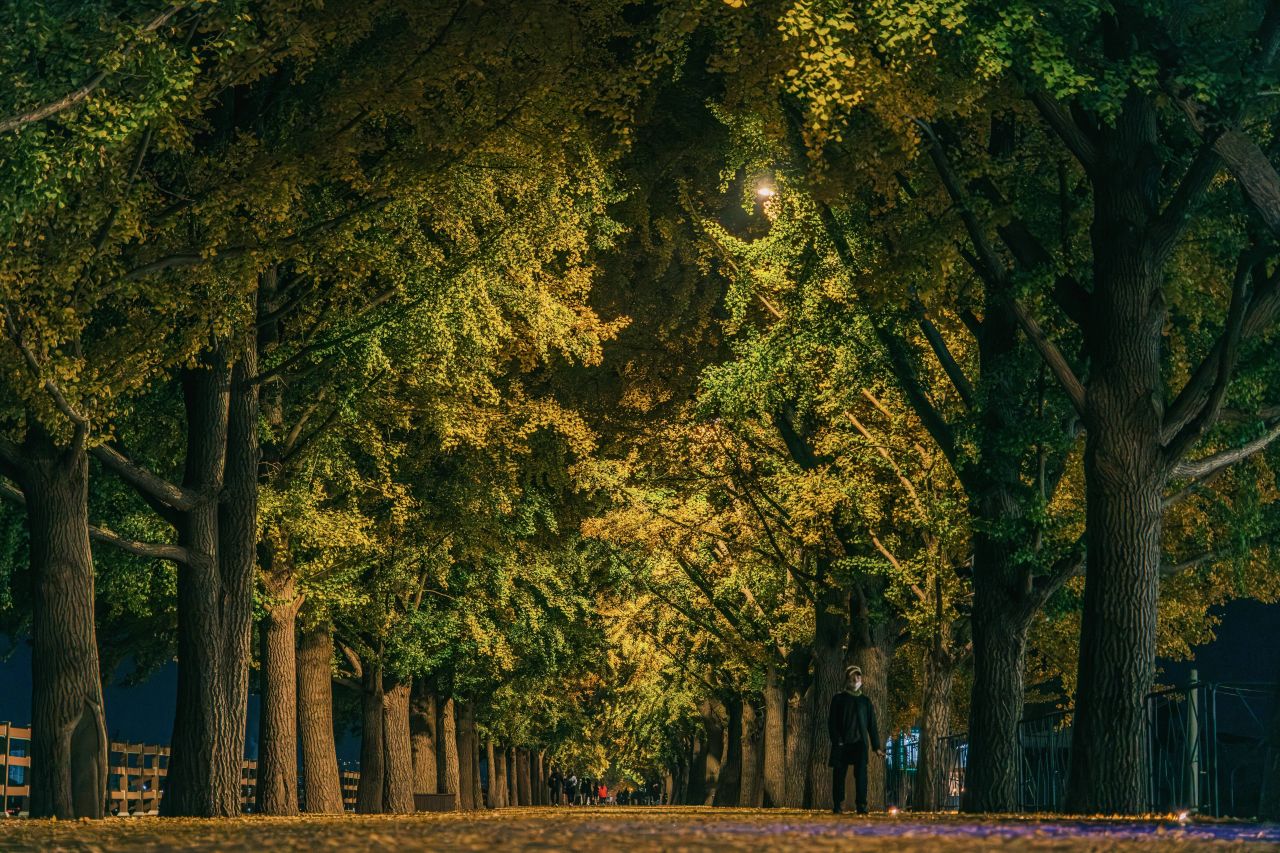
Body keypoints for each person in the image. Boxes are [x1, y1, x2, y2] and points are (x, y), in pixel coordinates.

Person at [828, 664, 883, 814]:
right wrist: (837, 740)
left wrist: (876, 747)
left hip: (860, 744)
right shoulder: (838, 699)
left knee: (861, 776)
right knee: (839, 775)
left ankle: (862, 805)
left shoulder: (865, 701)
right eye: (852, 676)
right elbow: (832, 723)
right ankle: (838, 805)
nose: (855, 679)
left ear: (861, 679)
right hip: (842, 743)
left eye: (858, 676)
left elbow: (872, 725)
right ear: (847, 679)